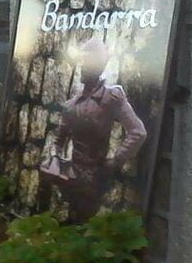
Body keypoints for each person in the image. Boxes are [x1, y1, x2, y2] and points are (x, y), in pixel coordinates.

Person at [42, 37, 147, 222]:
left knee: (88, 224)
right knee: (73, 223)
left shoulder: (111, 97)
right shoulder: (71, 105)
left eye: (88, 63)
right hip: (72, 178)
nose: (82, 67)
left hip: (96, 178)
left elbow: (138, 132)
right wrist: (55, 162)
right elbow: (57, 141)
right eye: (82, 62)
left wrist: (115, 161)